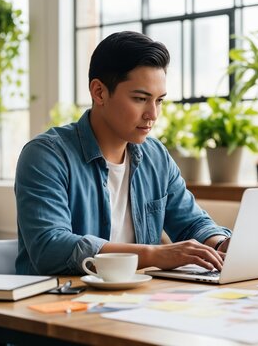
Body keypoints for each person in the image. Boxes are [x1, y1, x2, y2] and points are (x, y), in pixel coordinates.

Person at [15, 31, 231, 275]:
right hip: (59, 303)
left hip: (137, 301)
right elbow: (50, 247)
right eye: (140, 98)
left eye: (159, 100)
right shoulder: (46, 156)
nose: (153, 114)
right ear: (99, 92)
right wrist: (155, 254)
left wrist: (221, 245)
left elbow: (191, 223)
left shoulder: (155, 156)